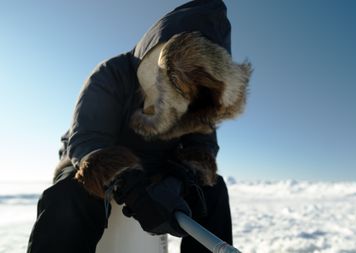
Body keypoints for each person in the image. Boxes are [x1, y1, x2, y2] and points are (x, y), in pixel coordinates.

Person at [26, 0, 251, 252]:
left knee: (212, 192)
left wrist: (180, 181)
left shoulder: (199, 102)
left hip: (161, 170)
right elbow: (88, 140)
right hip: (97, 162)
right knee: (69, 196)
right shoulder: (112, 74)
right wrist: (132, 189)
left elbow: (201, 149)